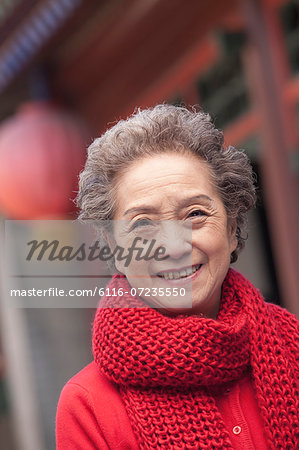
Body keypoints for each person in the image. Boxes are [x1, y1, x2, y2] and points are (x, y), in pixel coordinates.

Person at [56, 104, 298, 449]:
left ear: (231, 228)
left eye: (195, 214)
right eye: (143, 224)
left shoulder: (293, 348)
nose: (173, 246)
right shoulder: (88, 406)